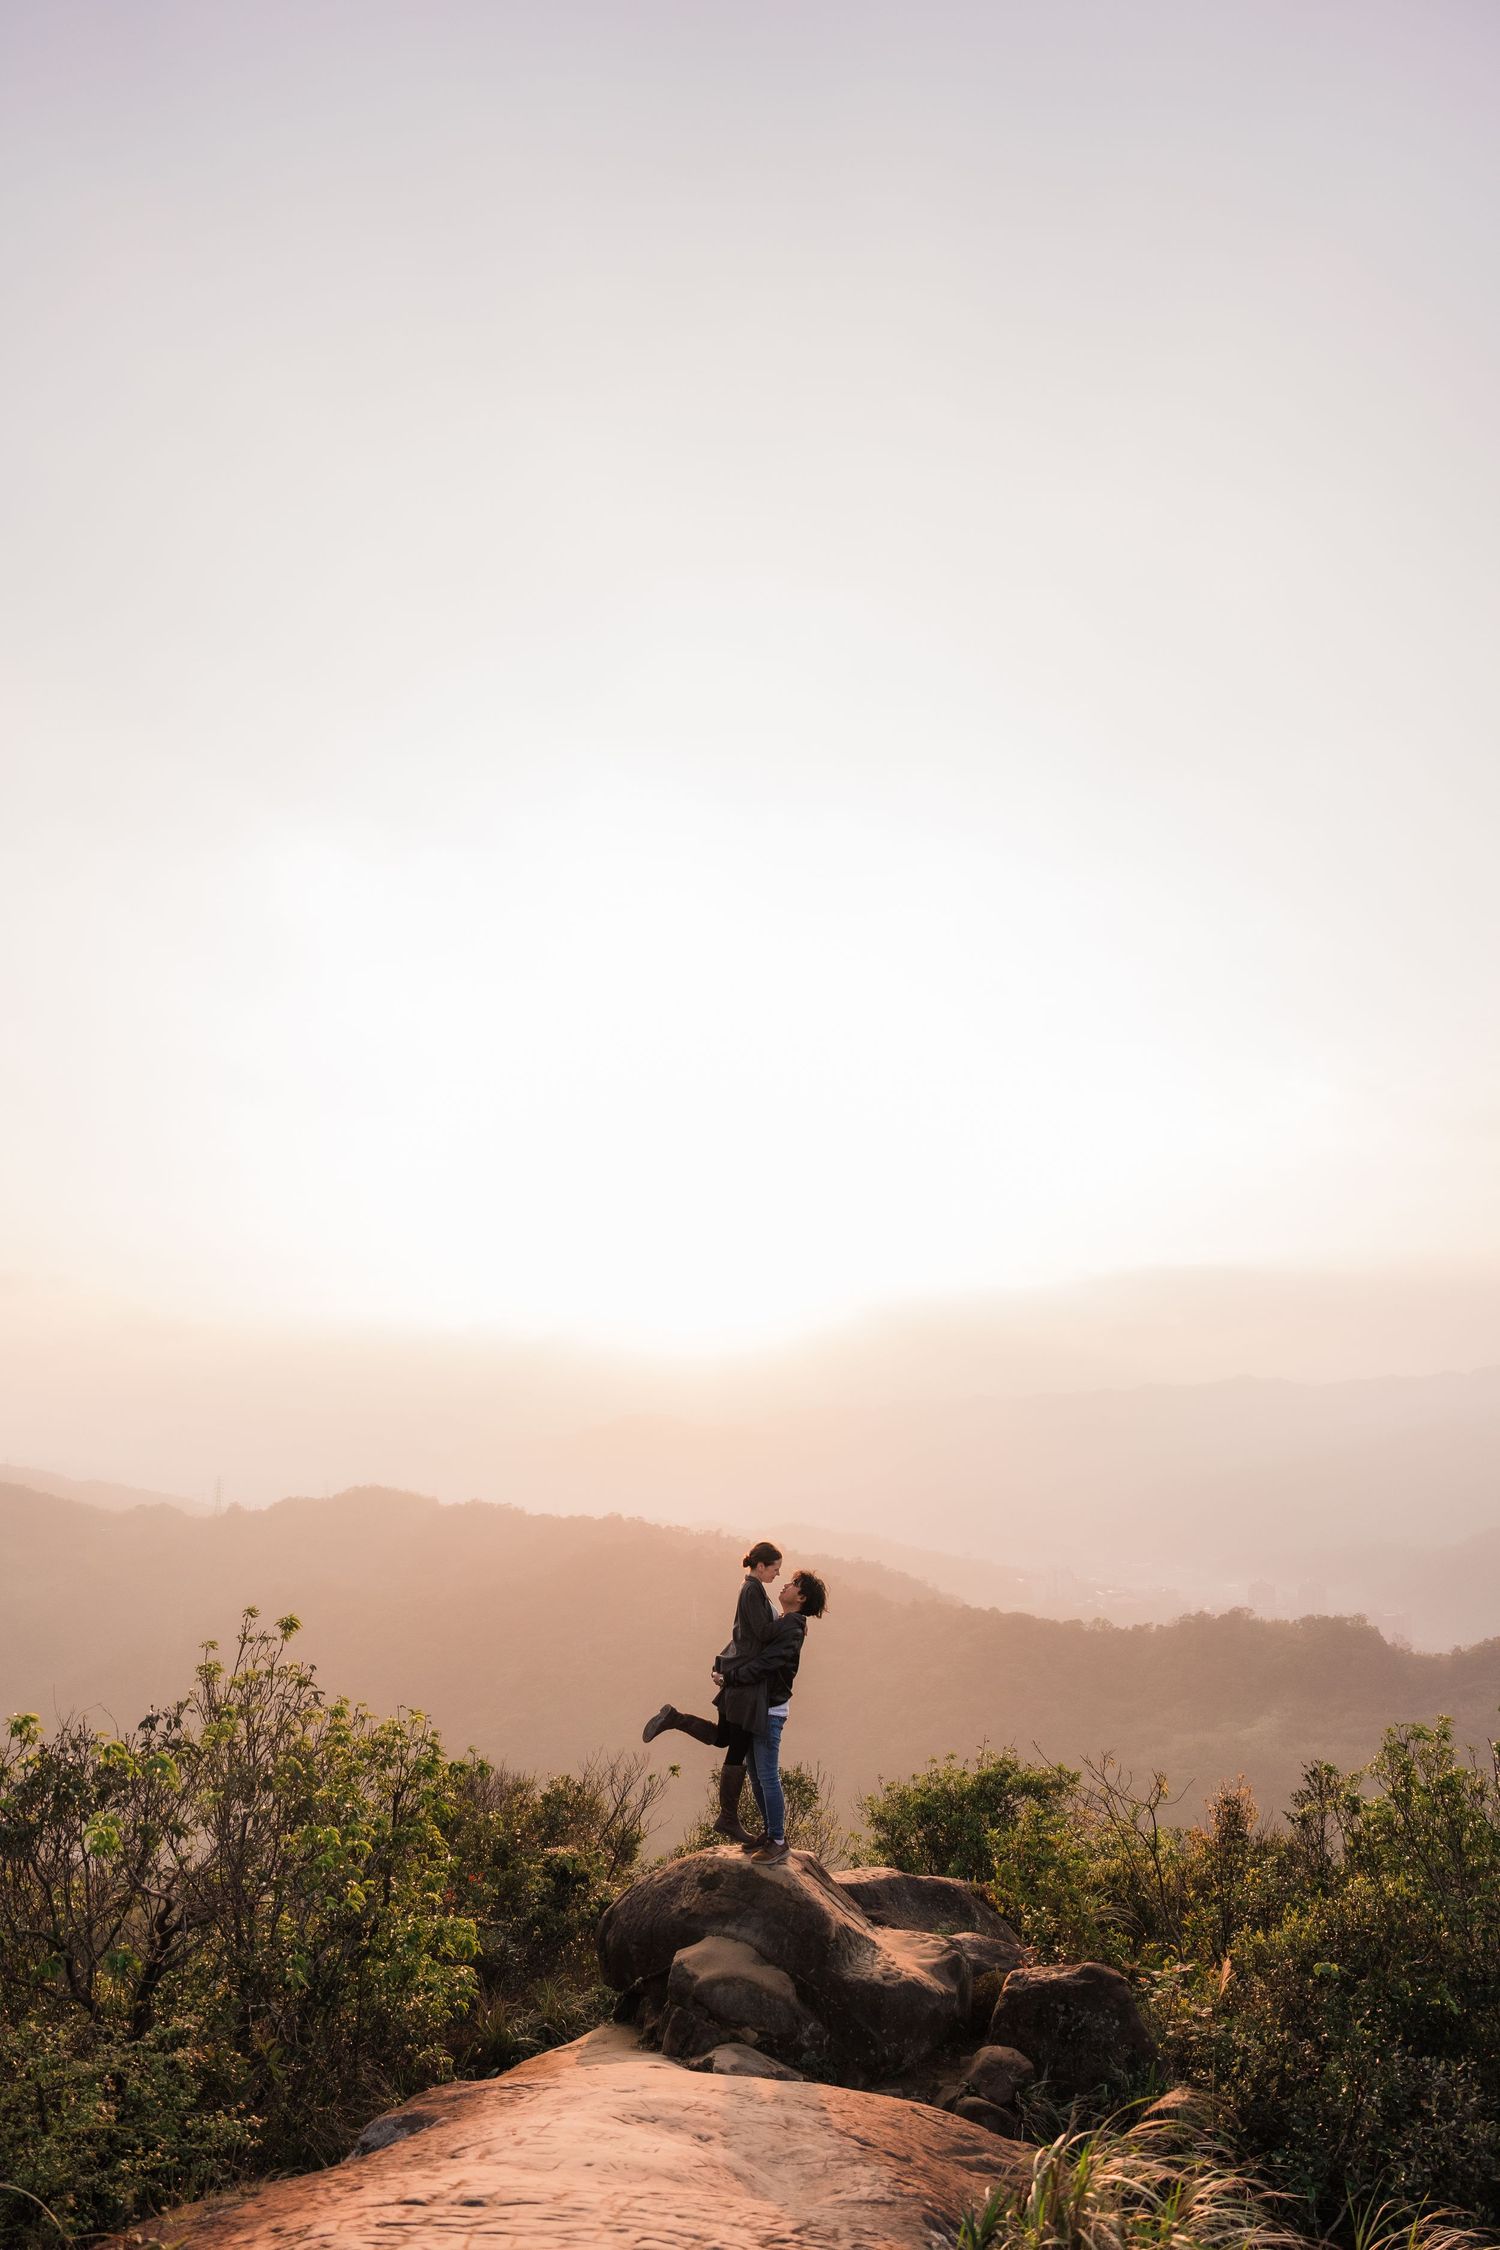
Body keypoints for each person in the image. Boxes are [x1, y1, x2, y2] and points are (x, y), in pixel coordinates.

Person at [640, 1540, 783, 1845]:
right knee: (736, 1745)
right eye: (775, 1569)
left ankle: (675, 1718)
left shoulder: (752, 1589)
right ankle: (729, 1819)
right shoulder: (753, 1590)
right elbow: (761, 1634)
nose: (777, 1575)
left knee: (723, 1737)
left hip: (735, 1673)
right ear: (761, 1566)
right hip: (743, 1683)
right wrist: (792, 1622)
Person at [713, 1567, 828, 1865]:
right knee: (756, 1774)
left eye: (792, 1584)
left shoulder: (791, 1627)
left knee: (767, 1775)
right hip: (759, 1707)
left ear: (800, 1597)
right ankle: (770, 1834)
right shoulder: (787, 1621)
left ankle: (778, 1840)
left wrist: (731, 1678)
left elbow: (766, 1662)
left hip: (770, 1710)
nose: (785, 1584)